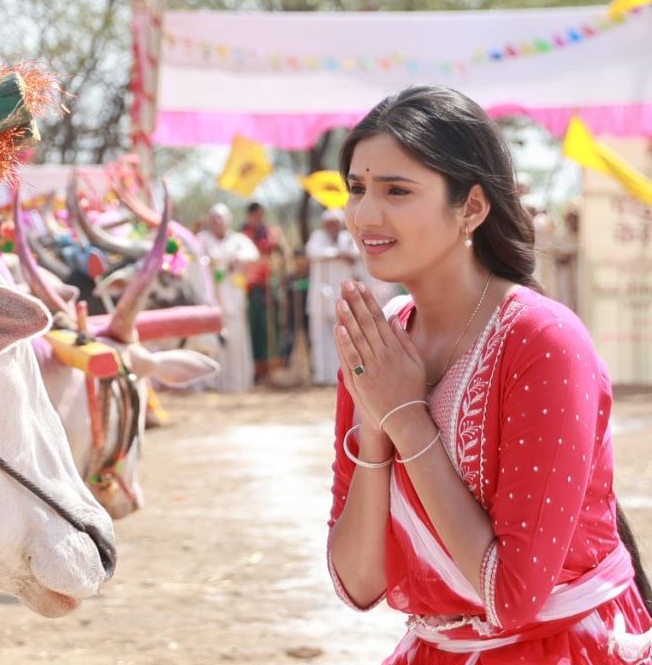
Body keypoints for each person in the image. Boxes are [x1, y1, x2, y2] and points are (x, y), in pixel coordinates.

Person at [326, 85, 651, 663]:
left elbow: (512, 597)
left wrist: (405, 418)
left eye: (397, 190)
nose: (364, 214)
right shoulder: (382, 342)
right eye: (356, 188)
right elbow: (358, 583)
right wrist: (376, 433)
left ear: (472, 207)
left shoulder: (542, 342)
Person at [198, 203, 260, 391]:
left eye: (221, 217)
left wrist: (239, 258)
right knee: (210, 339)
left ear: (228, 220)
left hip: (233, 298)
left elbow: (253, 253)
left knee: (235, 338)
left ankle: (237, 383)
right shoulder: (202, 239)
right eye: (214, 217)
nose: (217, 221)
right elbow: (193, 257)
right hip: (209, 300)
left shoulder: (238, 239)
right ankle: (211, 383)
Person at [305, 209, 360, 385]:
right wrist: (338, 254)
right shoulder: (317, 237)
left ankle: (341, 375)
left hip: (340, 297)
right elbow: (313, 252)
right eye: (329, 224)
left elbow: (358, 253)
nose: (332, 227)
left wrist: (346, 255)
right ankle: (321, 375)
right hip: (320, 298)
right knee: (320, 337)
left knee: (343, 336)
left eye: (335, 223)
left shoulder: (347, 237)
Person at [239, 202, 285, 382]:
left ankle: (274, 369)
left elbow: (278, 250)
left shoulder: (269, 232)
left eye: (261, 215)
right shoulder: (242, 235)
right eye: (256, 215)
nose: (259, 219)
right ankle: (258, 370)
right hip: (251, 286)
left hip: (268, 284)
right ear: (249, 216)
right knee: (255, 327)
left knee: (272, 327)